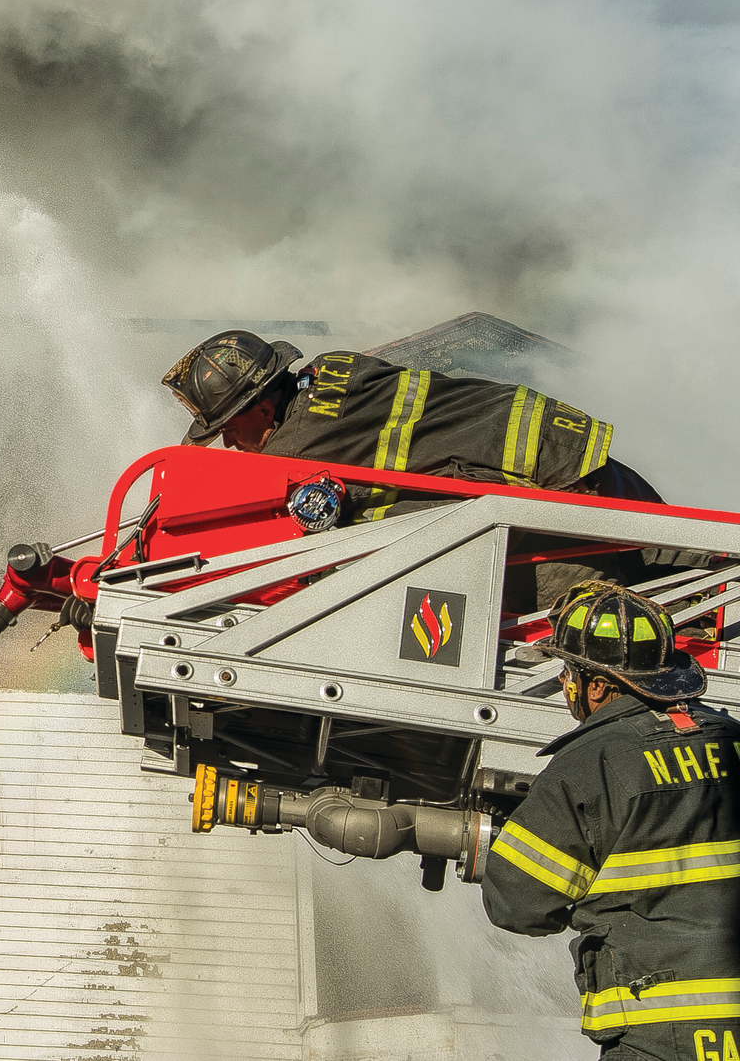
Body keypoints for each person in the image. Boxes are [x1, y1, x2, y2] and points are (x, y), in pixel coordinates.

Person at [161, 330, 679, 608]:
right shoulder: (337, 366)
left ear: (261, 408)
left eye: (227, 425)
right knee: (693, 561)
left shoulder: (295, 453)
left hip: (544, 500)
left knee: (595, 637)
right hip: (563, 442)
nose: (227, 440)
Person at [482, 582, 739, 1060]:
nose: (565, 685)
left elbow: (517, 904)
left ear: (595, 684)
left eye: (567, 673)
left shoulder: (587, 766)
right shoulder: (733, 739)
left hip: (659, 1036)